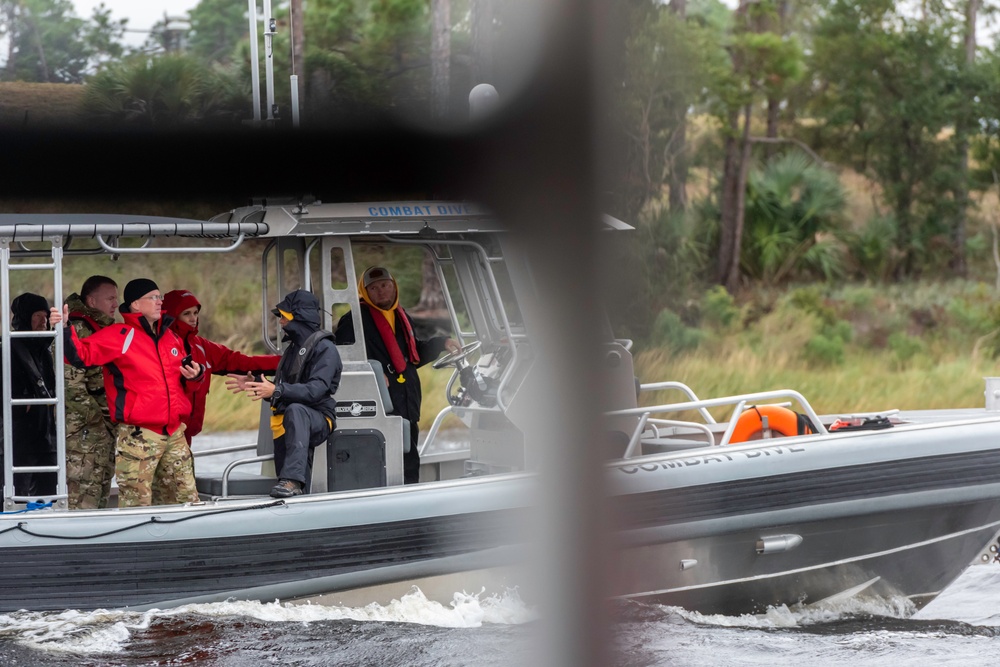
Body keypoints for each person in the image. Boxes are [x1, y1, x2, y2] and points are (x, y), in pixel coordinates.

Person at [51, 278, 205, 507]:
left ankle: (181, 541)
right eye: (153, 297)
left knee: (186, 500)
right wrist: (64, 329)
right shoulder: (120, 335)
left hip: (174, 434)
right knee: (137, 503)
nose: (159, 302)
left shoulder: (170, 337)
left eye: (159, 297)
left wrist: (197, 375)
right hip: (139, 436)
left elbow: (184, 382)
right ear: (135, 304)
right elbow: (80, 355)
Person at [334, 266, 460, 484]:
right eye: (374, 288)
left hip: (407, 401)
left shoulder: (401, 317)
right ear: (365, 293)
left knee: (409, 457)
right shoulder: (353, 321)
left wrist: (442, 343)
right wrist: (371, 373)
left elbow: (413, 355)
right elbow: (342, 359)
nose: (381, 291)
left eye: (385, 285)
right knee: (381, 457)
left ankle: (410, 498)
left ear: (394, 287)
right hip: (378, 404)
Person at [233, 289, 342, 498]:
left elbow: (316, 390)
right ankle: (294, 493)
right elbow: (285, 389)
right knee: (293, 417)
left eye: (283, 316)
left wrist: (277, 390)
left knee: (296, 411)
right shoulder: (293, 348)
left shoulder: (326, 349)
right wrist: (256, 383)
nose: (280, 321)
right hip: (289, 421)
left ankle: (293, 481)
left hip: (318, 417)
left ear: (298, 316)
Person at [162, 289, 280, 444]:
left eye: (195, 313)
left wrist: (285, 361)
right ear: (173, 315)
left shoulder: (201, 346)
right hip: (160, 433)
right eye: (186, 313)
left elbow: (241, 362)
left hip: (186, 435)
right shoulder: (160, 346)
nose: (193, 318)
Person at [63, 275, 119, 510]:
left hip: (101, 428)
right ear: (92, 301)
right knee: (84, 493)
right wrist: (98, 422)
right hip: (84, 430)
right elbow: (71, 385)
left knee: (101, 486)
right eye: (110, 298)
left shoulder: (103, 328)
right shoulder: (77, 330)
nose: (115, 304)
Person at [6, 293, 57, 499]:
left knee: (49, 488)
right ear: (25, 317)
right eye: (37, 315)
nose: (43, 321)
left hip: (46, 434)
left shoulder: (44, 349)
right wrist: (21, 400)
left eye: (45, 315)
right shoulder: (8, 346)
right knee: (18, 490)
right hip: (19, 436)